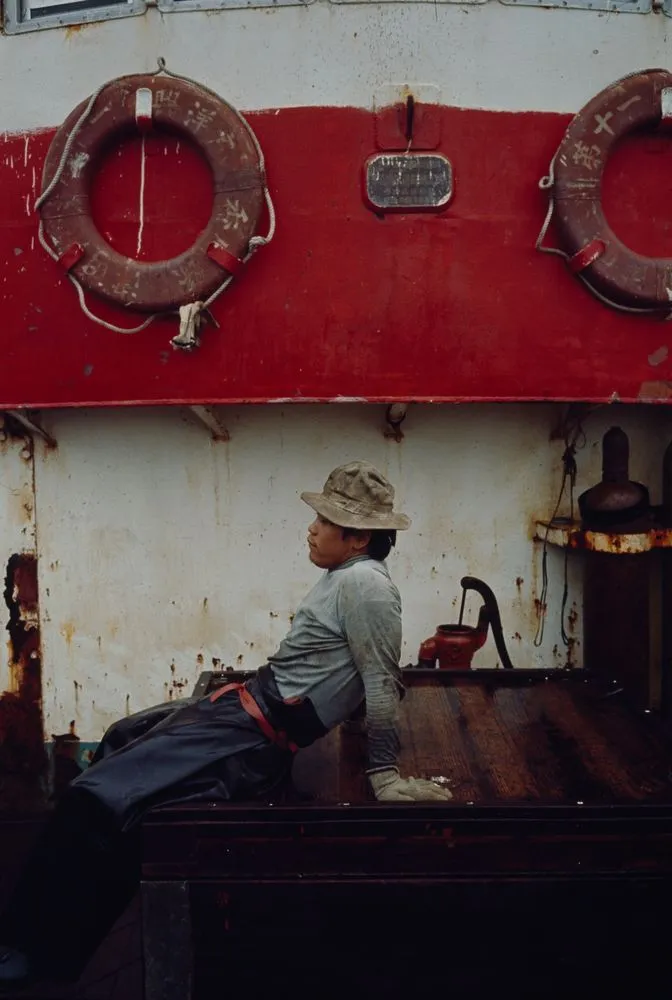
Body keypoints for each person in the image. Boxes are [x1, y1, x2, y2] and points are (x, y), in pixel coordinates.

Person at [0, 459, 451, 988]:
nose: (311, 528)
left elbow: (379, 680)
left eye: (323, 522)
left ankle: (29, 958)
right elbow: (346, 671)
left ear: (356, 538)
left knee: (92, 801)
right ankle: (42, 947)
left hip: (247, 739)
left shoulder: (365, 587)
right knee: (120, 740)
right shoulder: (346, 577)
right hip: (241, 710)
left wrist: (384, 775)